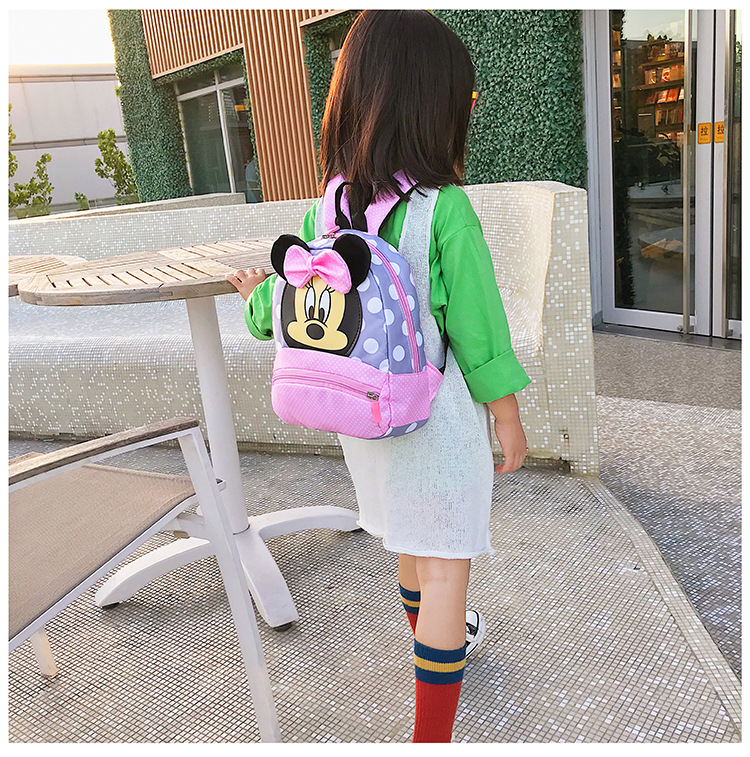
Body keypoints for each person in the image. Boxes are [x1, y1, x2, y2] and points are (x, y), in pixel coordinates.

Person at [226, 10, 530, 743]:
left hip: (365, 419)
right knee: (447, 561)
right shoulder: (445, 210)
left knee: (408, 538)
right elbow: (479, 329)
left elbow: (285, 306)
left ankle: (432, 642)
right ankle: (432, 728)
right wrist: (507, 415)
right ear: (435, 108)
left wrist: (254, 299)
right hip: (435, 418)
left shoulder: (327, 208)